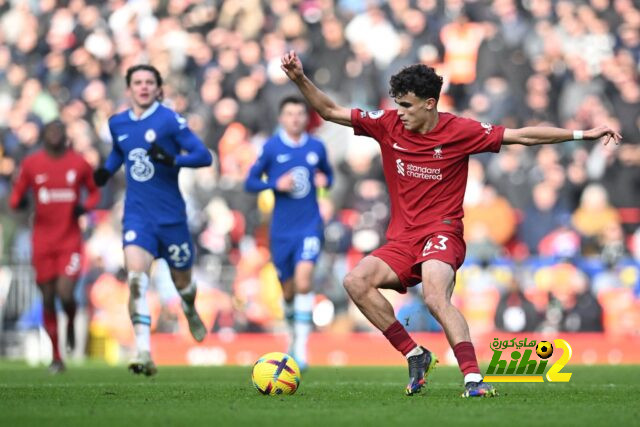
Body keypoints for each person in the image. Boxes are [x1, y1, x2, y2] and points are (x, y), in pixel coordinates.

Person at [281, 50, 621, 397]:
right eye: (398, 104)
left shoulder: (460, 130)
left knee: (434, 294)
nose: (400, 112)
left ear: (430, 104)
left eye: (408, 106)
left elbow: (523, 135)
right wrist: (298, 78)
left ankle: (473, 379)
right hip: (402, 239)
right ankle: (415, 354)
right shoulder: (387, 124)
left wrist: (583, 134)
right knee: (356, 281)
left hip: (442, 233)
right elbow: (329, 111)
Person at [92, 64, 213, 376]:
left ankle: (188, 307)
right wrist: (106, 169)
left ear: (159, 89)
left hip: (171, 217)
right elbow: (120, 152)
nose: (143, 87)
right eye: (138, 82)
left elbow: (203, 156)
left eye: (149, 82)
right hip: (137, 215)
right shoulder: (117, 123)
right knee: (136, 279)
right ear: (129, 88)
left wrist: (173, 159)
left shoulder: (170, 120)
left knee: (182, 283)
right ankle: (144, 351)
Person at [244, 96, 333, 370]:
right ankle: (293, 336)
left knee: (305, 280)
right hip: (281, 229)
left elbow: (329, 175)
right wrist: (275, 183)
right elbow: (249, 181)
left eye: (299, 114)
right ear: (281, 118)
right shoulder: (271, 148)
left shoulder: (316, 147)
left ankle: (302, 350)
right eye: (290, 114)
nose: (295, 118)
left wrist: (323, 181)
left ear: (306, 118)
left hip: (309, 225)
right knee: (289, 291)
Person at [9, 120, 100, 373]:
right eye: (50, 132)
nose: (55, 136)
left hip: (70, 240)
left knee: (67, 293)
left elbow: (94, 192)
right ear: (44, 136)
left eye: (59, 131)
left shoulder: (78, 163)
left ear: (65, 136)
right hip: (42, 241)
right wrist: (20, 203)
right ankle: (57, 356)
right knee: (48, 298)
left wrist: (85, 207)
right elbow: (16, 196)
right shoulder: (32, 164)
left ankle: (70, 322)